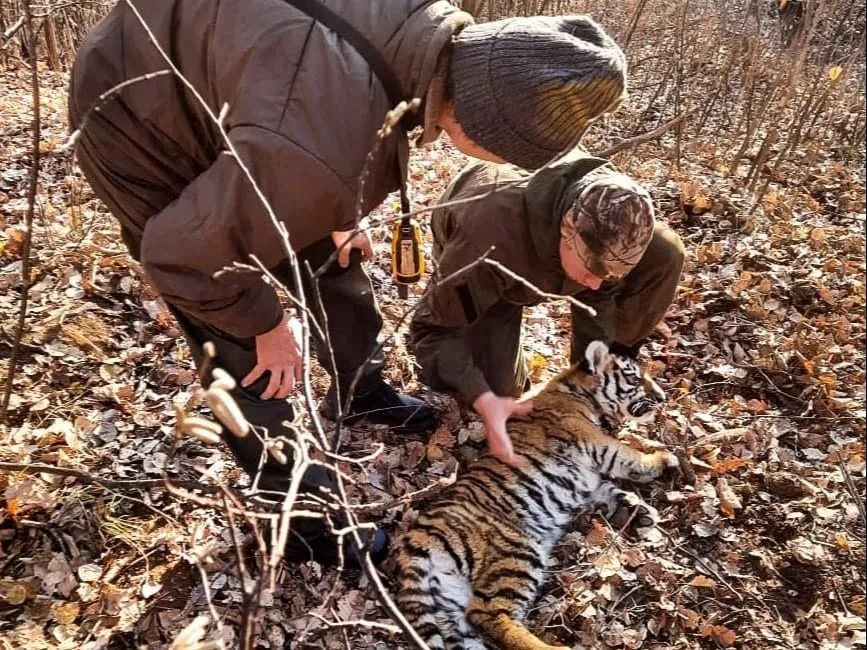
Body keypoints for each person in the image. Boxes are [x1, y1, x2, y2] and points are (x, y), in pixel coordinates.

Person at [67, 0, 628, 566]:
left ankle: (359, 390)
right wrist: (263, 323)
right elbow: (184, 255)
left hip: (238, 99)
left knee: (334, 258)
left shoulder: (416, 36)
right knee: (244, 345)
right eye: (509, 154)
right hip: (134, 114)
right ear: (480, 125)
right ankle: (301, 522)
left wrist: (336, 205)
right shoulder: (317, 147)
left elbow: (304, 109)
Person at [409, 148, 685, 467]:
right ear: (568, 229)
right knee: (500, 395)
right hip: (489, 251)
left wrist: (591, 370)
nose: (597, 284)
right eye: (593, 271)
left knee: (665, 253)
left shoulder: (619, 213)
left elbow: (599, 292)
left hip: (552, 246)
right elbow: (431, 331)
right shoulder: (487, 239)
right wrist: (483, 399)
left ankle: (607, 369)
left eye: (609, 275)